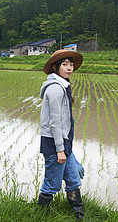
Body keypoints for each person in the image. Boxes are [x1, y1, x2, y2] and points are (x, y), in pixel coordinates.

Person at [37, 49, 87, 220]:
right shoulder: (56, 89)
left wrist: (67, 150)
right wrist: (60, 150)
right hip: (54, 143)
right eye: (64, 64)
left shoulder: (63, 86)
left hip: (63, 143)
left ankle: (79, 216)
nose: (69, 68)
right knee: (52, 184)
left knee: (73, 179)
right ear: (55, 68)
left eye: (71, 64)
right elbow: (55, 123)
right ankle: (41, 215)